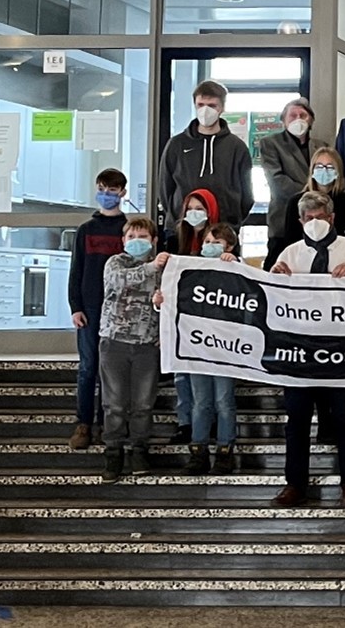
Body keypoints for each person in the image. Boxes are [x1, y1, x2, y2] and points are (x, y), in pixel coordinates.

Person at [270, 191, 345, 508]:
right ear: (301, 221)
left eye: (321, 217)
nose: (315, 222)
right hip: (299, 349)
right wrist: (276, 278)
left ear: (332, 218)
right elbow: (273, 299)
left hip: (340, 347)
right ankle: (295, 484)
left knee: (344, 417)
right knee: (297, 418)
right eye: (309, 218)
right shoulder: (290, 252)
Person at [155, 223, 242, 475]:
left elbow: (249, 292)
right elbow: (174, 297)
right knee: (200, 401)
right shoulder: (190, 268)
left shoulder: (236, 270)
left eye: (217, 243)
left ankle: (225, 451)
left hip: (225, 347)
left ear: (230, 247)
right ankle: (198, 451)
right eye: (207, 242)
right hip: (197, 346)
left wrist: (236, 264)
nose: (210, 247)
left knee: (223, 400)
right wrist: (160, 302)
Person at [99, 217, 169, 483]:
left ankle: (139, 449)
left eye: (143, 237)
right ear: (123, 240)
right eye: (131, 237)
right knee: (115, 403)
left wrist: (161, 306)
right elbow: (120, 281)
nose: (136, 241)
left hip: (146, 345)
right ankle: (113, 452)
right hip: (114, 342)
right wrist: (152, 267)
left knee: (143, 403)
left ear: (154, 240)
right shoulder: (115, 263)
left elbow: (171, 302)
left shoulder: (165, 268)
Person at [68, 168, 128, 450]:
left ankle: (107, 423)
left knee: (110, 370)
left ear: (123, 193)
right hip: (90, 309)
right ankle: (83, 424)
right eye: (102, 189)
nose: (106, 194)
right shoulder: (86, 230)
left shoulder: (128, 230)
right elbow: (76, 271)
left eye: (112, 190)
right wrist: (75, 307)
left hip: (118, 312)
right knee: (88, 367)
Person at [158, 80, 253, 232]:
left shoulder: (237, 147)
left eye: (212, 105)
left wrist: (232, 221)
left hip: (223, 231)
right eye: (201, 105)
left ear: (222, 107)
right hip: (181, 229)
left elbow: (246, 193)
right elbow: (165, 188)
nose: (205, 110)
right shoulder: (176, 144)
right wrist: (176, 216)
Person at [260, 98, 328, 264]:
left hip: (316, 221)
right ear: (283, 120)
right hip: (283, 220)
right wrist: (312, 196)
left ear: (311, 120)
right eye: (292, 115)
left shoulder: (322, 146)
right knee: (278, 267)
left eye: (303, 115)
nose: (298, 119)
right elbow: (277, 181)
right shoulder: (271, 143)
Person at [277, 147, 345, 265]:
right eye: (319, 166)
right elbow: (290, 239)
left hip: (339, 260)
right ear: (312, 170)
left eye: (330, 167)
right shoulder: (296, 202)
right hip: (303, 261)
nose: (324, 170)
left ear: (338, 171)